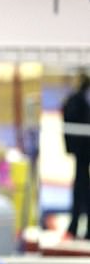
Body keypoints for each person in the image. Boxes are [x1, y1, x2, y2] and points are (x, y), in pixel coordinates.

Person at [61, 73, 90, 239]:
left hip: (83, 150)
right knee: (80, 187)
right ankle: (74, 225)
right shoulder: (76, 99)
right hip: (82, 151)